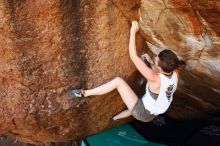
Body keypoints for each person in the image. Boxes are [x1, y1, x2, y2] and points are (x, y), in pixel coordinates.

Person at [68, 21, 185, 122]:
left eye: (156, 58)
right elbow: (161, 74)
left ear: (160, 68)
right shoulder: (175, 72)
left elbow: (133, 56)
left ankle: (84, 93)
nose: (155, 57)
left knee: (118, 82)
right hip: (154, 112)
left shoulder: (154, 77)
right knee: (134, 105)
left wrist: (133, 32)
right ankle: (114, 119)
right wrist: (151, 62)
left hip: (143, 112)